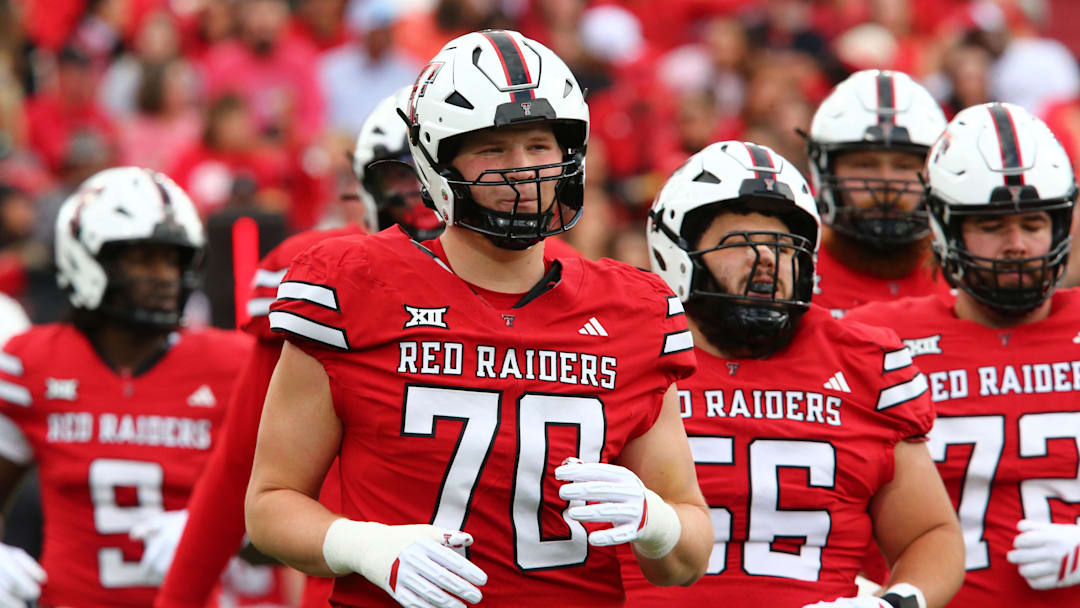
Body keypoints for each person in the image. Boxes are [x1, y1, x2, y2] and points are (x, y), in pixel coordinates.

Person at [245, 29, 713, 607]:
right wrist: (364, 545)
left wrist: (658, 524)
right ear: (437, 161)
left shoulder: (632, 311)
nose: (522, 170)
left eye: (540, 145)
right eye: (493, 148)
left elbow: (687, 557)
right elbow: (270, 504)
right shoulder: (356, 284)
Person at [627, 140, 963, 608]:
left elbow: (930, 533)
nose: (766, 259)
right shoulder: (626, 354)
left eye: (784, 246)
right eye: (740, 242)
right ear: (678, 253)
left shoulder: (863, 361)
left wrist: (894, 603)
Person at [154, 87, 440, 608]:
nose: (425, 196)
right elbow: (242, 462)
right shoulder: (324, 275)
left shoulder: (555, 280)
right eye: (404, 177)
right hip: (348, 582)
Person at [845, 102, 1080, 607]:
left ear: (1060, 227)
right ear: (947, 229)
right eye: (993, 227)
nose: (1017, 245)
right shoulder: (877, 337)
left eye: (1034, 223)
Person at [0, 166, 251, 607]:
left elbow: (289, 515)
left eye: (173, 259)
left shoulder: (231, 363)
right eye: (142, 257)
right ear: (87, 257)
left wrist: (218, 530)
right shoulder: (32, 362)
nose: (163, 276)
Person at [806, 69, 951, 318]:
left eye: (904, 166)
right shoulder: (792, 273)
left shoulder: (968, 276)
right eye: (865, 164)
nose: (887, 182)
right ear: (826, 170)